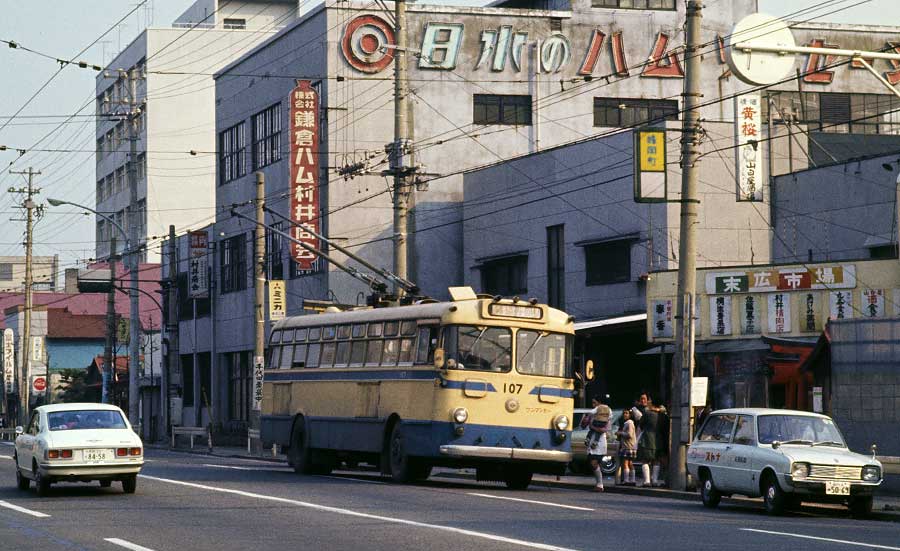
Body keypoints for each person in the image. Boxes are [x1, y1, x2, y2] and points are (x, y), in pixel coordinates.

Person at [584, 396, 611, 492]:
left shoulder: (605, 415)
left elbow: (606, 429)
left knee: (594, 462)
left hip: (600, 442)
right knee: (592, 463)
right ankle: (599, 484)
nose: (593, 405)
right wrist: (586, 419)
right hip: (591, 441)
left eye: (595, 403)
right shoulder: (592, 414)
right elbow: (584, 426)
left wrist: (594, 428)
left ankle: (600, 484)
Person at [636, 393, 663, 487]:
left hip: (647, 439)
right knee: (656, 460)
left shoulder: (647, 414)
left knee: (645, 460)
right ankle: (655, 481)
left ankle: (647, 481)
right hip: (659, 440)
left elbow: (641, 425)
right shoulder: (662, 414)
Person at [616, 408, 637, 485]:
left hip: (628, 446)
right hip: (630, 445)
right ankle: (632, 480)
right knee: (630, 463)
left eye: (627, 413)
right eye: (624, 413)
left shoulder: (629, 423)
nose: (625, 414)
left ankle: (626, 480)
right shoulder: (628, 423)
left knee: (625, 463)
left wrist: (620, 433)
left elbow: (629, 435)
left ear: (630, 415)